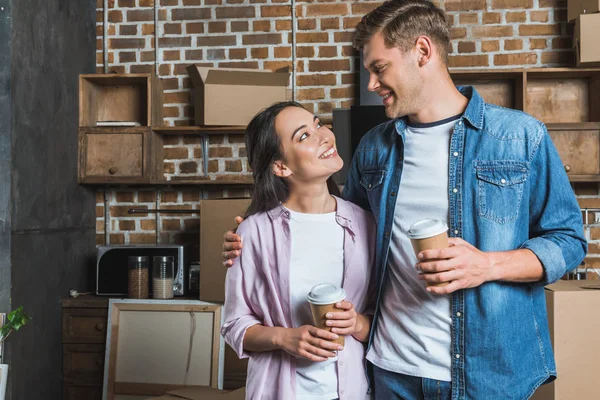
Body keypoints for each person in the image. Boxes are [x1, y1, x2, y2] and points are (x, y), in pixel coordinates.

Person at [223, 1, 587, 399]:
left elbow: (568, 240)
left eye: (380, 69)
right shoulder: (374, 149)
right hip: (390, 372)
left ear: (423, 52)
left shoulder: (520, 136)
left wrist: (485, 265)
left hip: (488, 374)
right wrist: (254, 235)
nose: (372, 85)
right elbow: (339, 228)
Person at [221, 101, 376, 400]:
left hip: (353, 391)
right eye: (304, 135)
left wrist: (357, 323)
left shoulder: (366, 224)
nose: (325, 135)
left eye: (318, 125)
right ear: (281, 166)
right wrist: (284, 338)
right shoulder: (254, 232)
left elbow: (386, 320)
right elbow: (234, 325)